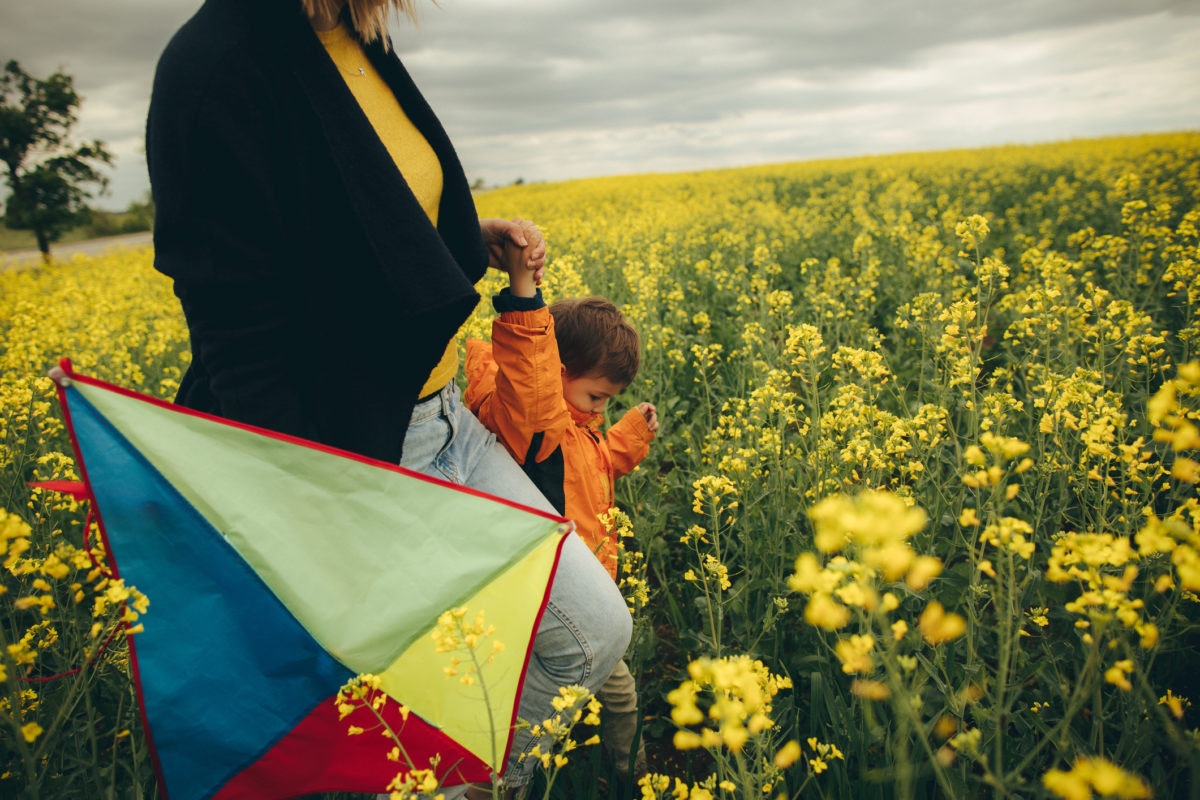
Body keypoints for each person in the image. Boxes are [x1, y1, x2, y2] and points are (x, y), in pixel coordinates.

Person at [145, 0, 631, 795]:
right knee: (399, 703)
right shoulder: (216, 66)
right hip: (361, 448)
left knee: (595, 631)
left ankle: (463, 788)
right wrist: (319, 508)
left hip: (450, 421)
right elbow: (237, 327)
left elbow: (358, 217)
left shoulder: (355, 36)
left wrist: (462, 237)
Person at [464, 227, 658, 785]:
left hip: (579, 598)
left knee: (612, 697)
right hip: (542, 602)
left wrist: (628, 436)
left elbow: (595, 464)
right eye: (597, 397)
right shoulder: (538, 428)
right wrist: (524, 292)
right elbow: (529, 379)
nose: (600, 409)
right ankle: (514, 779)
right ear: (558, 374)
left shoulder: (577, 429)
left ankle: (626, 774)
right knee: (547, 697)